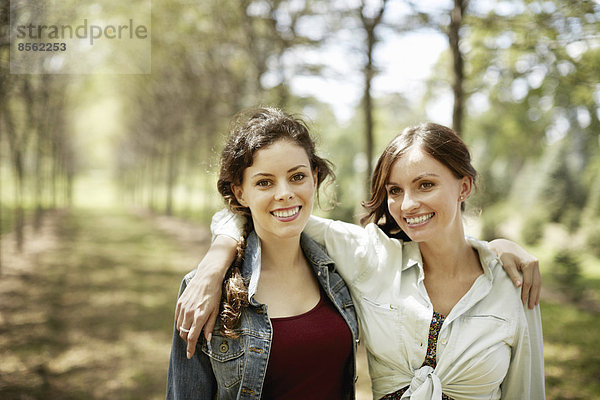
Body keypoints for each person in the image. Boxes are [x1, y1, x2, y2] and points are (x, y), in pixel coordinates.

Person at [181, 121, 544, 399]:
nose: (407, 204)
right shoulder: (373, 258)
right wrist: (216, 261)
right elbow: (270, 214)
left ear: (464, 187)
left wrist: (497, 247)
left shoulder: (513, 285)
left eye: (426, 185)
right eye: (394, 191)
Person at [166, 107, 359, 399]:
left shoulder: (339, 270)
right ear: (240, 192)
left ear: (315, 178)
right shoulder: (206, 289)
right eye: (264, 182)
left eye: (297, 177)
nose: (284, 193)